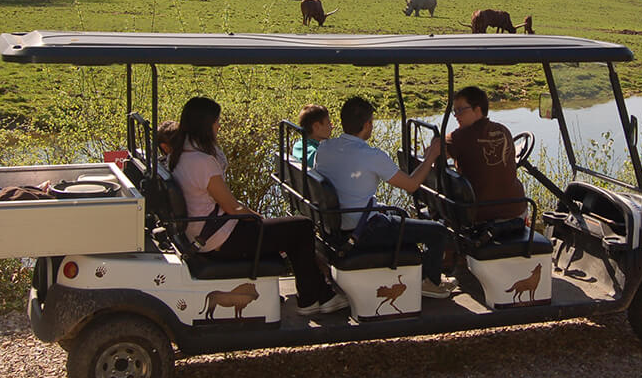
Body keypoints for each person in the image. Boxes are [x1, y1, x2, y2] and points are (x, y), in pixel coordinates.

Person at [169, 97, 347, 315]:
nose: (219, 126)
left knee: (288, 230)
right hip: (219, 238)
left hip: (207, 232)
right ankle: (313, 299)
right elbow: (232, 207)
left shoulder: (178, 155)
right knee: (302, 227)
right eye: (216, 122)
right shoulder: (201, 162)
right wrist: (259, 219)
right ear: (205, 125)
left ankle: (317, 293)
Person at [314, 96, 456, 298]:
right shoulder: (372, 155)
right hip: (364, 231)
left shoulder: (325, 148)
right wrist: (431, 156)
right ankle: (430, 282)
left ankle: (416, 271)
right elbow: (411, 185)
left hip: (339, 226)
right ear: (367, 124)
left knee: (401, 215)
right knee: (439, 232)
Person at [445, 86, 527, 223]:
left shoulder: (458, 137)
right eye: (455, 111)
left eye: (460, 110)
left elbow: (434, 154)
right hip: (517, 210)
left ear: (477, 110)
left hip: (481, 216)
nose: (456, 116)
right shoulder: (503, 130)